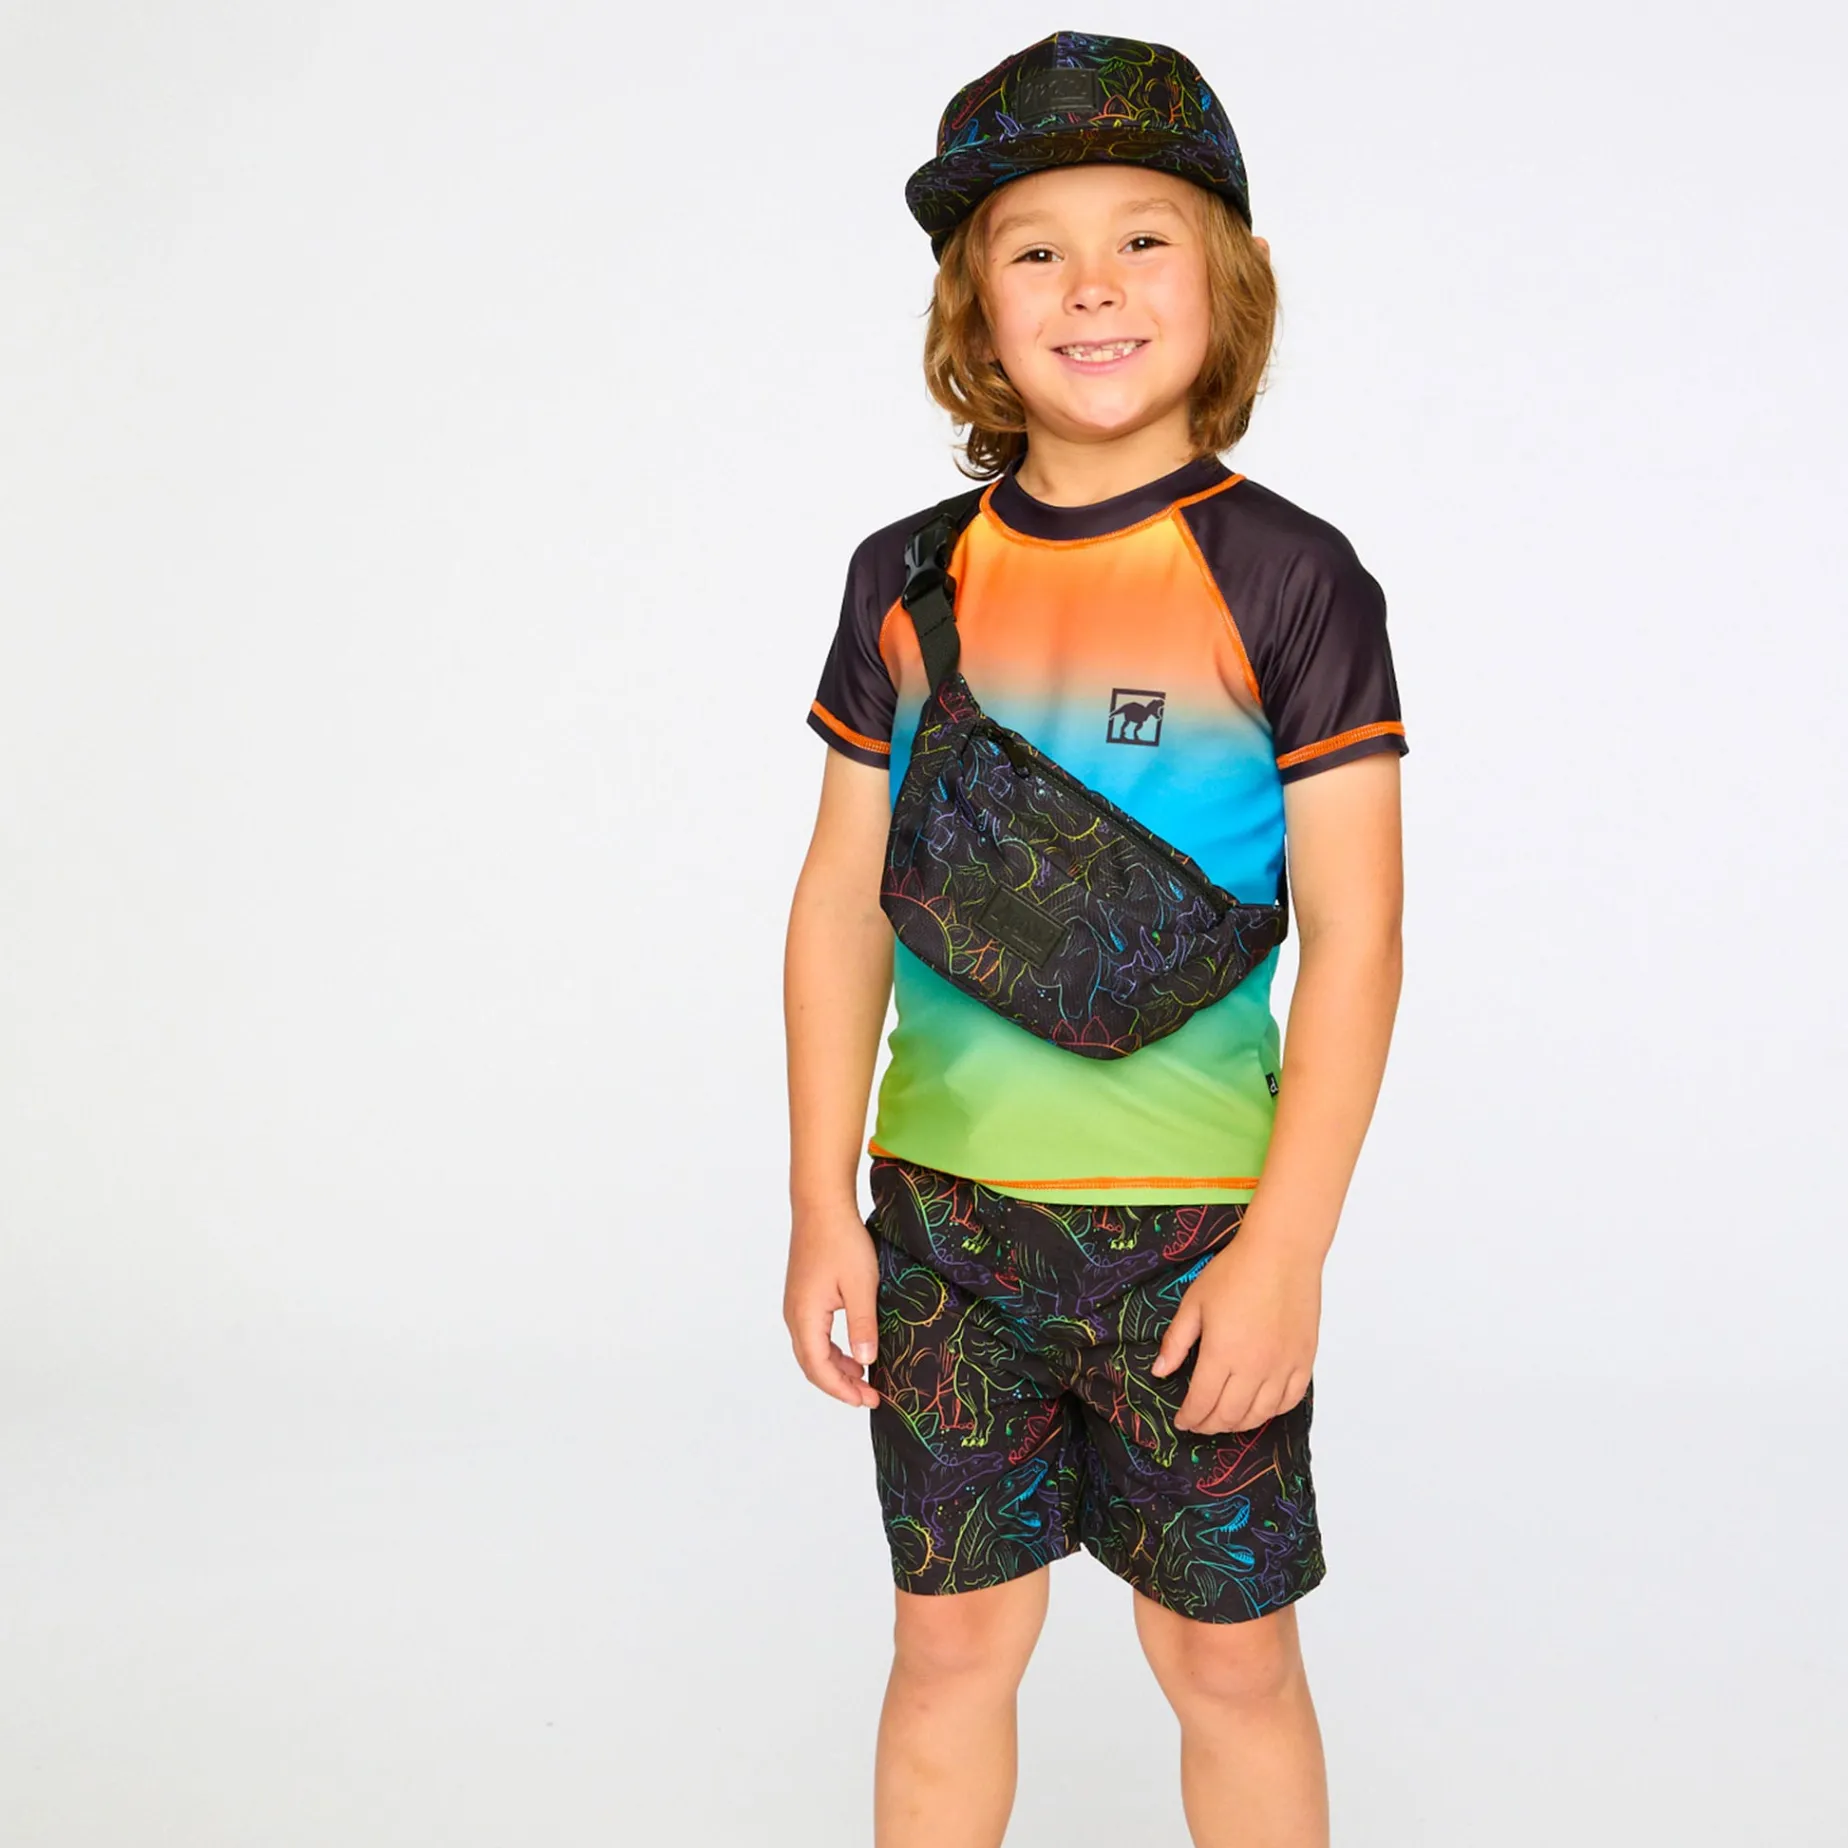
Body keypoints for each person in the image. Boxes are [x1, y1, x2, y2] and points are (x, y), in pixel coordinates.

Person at [782, 31, 1406, 1848]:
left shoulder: (1289, 577)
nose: (1093, 286)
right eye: (1036, 248)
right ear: (975, 305)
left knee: (1230, 1662)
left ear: (1228, 278)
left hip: (1198, 1234)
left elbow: (1359, 934)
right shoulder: (906, 579)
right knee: (947, 1646)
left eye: (1145, 238)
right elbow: (839, 900)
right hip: (945, 1226)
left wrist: (1286, 1249)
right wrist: (822, 1199)